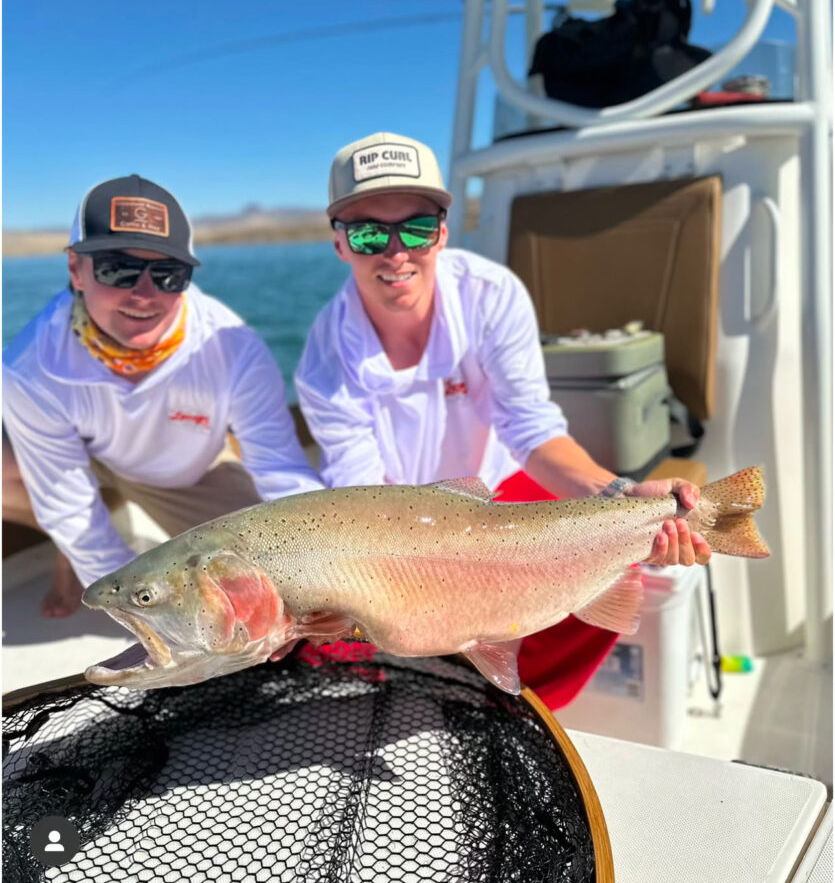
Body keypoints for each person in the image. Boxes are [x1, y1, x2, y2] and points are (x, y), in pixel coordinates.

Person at [294, 132, 710, 708]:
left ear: (442, 231)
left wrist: (621, 494)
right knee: (328, 641)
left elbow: (531, 429)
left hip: (494, 492)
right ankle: (453, 675)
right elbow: (359, 494)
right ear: (340, 245)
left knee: (608, 570)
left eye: (415, 228)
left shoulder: (490, 296)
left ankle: (521, 707)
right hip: (386, 524)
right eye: (368, 233)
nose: (395, 253)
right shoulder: (323, 359)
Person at [3, 174, 321, 617]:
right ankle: (75, 554)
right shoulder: (28, 366)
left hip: (182, 474)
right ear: (76, 269)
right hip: (81, 453)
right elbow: (66, 503)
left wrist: (320, 559)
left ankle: (99, 531)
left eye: (170, 274)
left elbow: (282, 471)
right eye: (119, 269)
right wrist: (140, 615)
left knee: (268, 574)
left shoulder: (235, 347)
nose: (145, 293)